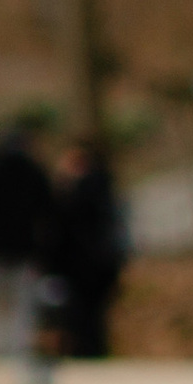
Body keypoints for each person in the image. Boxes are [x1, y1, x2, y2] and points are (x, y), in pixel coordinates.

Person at [0, 119, 56, 384]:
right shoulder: (32, 170)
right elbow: (48, 207)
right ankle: (18, 344)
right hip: (23, 247)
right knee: (21, 300)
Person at [41, 137, 127, 361]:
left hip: (83, 265)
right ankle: (93, 351)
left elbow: (62, 225)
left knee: (82, 315)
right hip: (101, 263)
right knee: (93, 315)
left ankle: (87, 353)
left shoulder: (81, 191)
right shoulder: (105, 188)